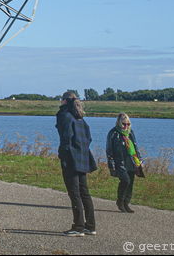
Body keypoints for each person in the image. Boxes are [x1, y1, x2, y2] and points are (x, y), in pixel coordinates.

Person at [56, 91, 97, 237]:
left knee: (75, 193)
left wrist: (63, 154)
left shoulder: (66, 116)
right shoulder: (81, 119)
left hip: (71, 158)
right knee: (84, 192)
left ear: (65, 101)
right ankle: (90, 226)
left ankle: (78, 227)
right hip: (83, 157)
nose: (60, 102)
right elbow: (89, 138)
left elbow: (66, 137)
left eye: (61, 99)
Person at [106, 113, 142, 213]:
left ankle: (126, 203)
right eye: (124, 124)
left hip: (131, 161)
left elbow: (135, 148)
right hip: (120, 162)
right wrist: (111, 164)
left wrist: (140, 161)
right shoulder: (113, 133)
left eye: (128, 124)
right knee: (125, 181)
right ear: (118, 122)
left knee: (131, 183)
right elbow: (109, 150)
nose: (126, 126)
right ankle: (120, 200)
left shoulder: (130, 133)